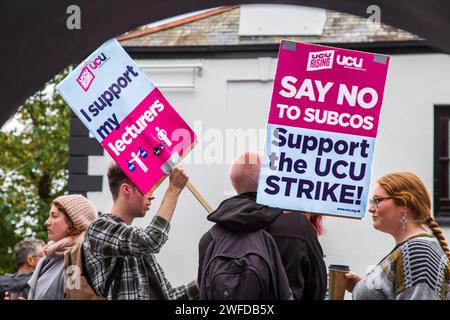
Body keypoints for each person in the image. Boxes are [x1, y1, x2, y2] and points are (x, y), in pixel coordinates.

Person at [197, 151, 327, 300]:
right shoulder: (297, 226)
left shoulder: (209, 239)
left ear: (236, 185)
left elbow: (204, 291)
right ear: (269, 180)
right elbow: (318, 288)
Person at [83, 163, 198, 300]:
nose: (151, 195)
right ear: (126, 189)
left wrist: (202, 282)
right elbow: (152, 240)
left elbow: (168, 296)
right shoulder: (98, 228)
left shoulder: (136, 243)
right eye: (146, 188)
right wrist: (173, 189)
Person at [345, 172, 450, 300]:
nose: (371, 208)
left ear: (404, 204)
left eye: (378, 200)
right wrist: (363, 286)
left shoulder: (418, 252)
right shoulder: (413, 248)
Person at [20, 195, 98, 300]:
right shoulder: (48, 258)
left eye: (54, 216)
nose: (47, 222)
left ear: (74, 221)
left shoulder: (79, 260)